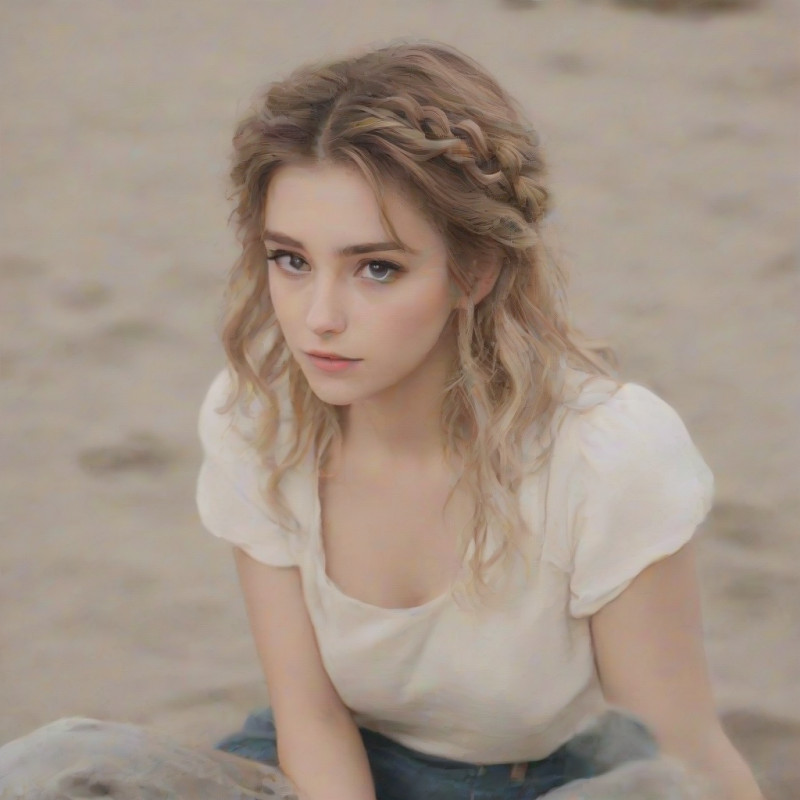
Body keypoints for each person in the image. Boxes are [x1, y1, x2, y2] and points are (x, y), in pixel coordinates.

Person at [193, 40, 763, 800]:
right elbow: (312, 718)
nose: (317, 319)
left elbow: (679, 760)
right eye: (291, 260)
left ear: (476, 270)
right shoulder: (259, 418)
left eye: (377, 268)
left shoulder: (607, 456)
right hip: (331, 766)